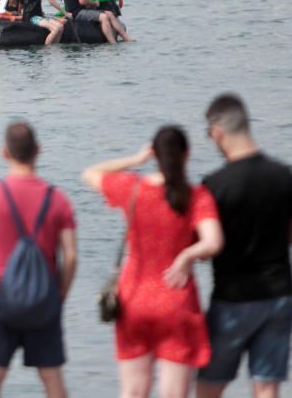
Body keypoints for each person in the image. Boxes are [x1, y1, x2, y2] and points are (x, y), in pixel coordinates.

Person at [84, 127, 223, 398]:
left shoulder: (133, 189)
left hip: (134, 299)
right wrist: (186, 255)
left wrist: (136, 160)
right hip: (177, 301)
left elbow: (91, 173)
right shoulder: (196, 196)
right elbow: (213, 242)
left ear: (154, 155)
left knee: (133, 392)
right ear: (187, 154)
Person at [197, 94, 292, 398]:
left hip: (233, 297)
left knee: (209, 386)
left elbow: (208, 245)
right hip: (279, 295)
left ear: (217, 130)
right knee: (267, 386)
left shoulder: (215, 184)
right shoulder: (283, 176)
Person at [0, 121, 77, 398]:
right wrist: (60, 292)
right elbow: (71, 255)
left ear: (4, 152)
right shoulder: (58, 199)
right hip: (44, 299)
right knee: (52, 378)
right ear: (38, 150)